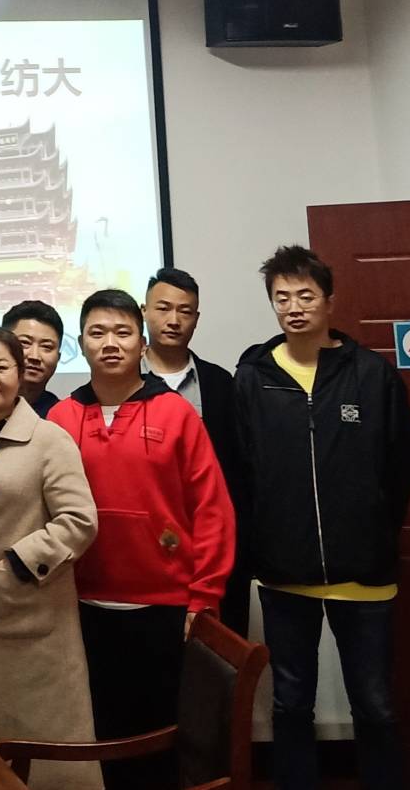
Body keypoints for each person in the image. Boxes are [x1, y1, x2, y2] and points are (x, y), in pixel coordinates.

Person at [234, 245, 410, 790]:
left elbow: (406, 461)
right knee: (291, 704)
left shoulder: (372, 375)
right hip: (284, 573)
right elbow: (242, 469)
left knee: (376, 705)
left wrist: (375, 527)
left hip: (364, 575)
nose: (294, 307)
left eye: (305, 295)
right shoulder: (254, 377)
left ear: (329, 301)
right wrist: (262, 539)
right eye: (282, 298)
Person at [48, 288, 235, 789]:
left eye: (122, 332)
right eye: (97, 332)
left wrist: (205, 594)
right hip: (82, 605)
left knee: (163, 735)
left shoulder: (176, 413)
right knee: (103, 733)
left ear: (142, 341)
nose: (110, 343)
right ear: (82, 343)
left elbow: (212, 509)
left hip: (165, 606)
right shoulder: (61, 419)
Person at [0, 325, 100, 790]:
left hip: (33, 612)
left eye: (1, 366)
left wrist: (18, 562)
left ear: (19, 372)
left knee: (44, 744)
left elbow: (80, 520)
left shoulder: (49, 439)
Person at [140, 267, 248, 634]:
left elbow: (238, 471)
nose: (173, 320)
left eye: (184, 311)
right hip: (144, 554)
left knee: (215, 659)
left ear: (196, 319)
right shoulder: (121, 381)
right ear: (144, 312)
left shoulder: (220, 383)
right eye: (163, 308)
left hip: (211, 551)